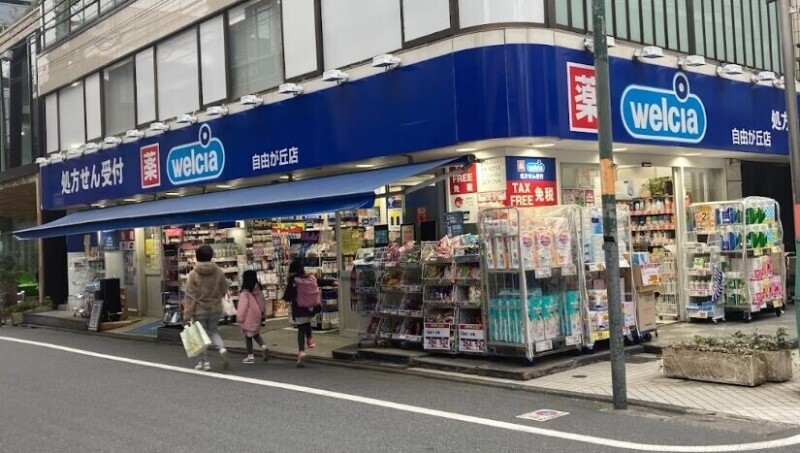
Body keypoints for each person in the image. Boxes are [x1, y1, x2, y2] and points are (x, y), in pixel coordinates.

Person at [283, 258, 338, 367]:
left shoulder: (293, 280)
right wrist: (333, 282)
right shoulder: (310, 277)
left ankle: (301, 352)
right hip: (310, 308)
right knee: (307, 322)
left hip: (299, 308)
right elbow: (320, 281)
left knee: (301, 329)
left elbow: (288, 295)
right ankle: (310, 339)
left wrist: (287, 298)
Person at [183, 244, 230, 371]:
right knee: (213, 331)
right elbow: (224, 290)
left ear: (197, 257)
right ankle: (222, 349)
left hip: (199, 310)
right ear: (211, 256)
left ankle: (204, 363)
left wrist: (187, 315)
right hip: (215, 309)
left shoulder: (193, 274)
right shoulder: (219, 272)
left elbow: (190, 296)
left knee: (201, 336)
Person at [237, 270, 269, 364]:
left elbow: (242, 307)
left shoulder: (245, 293)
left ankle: (250, 356)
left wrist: (239, 318)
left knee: (248, 336)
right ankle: (264, 346)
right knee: (255, 333)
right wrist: (263, 313)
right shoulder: (258, 290)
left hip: (248, 315)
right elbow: (262, 302)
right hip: (258, 314)